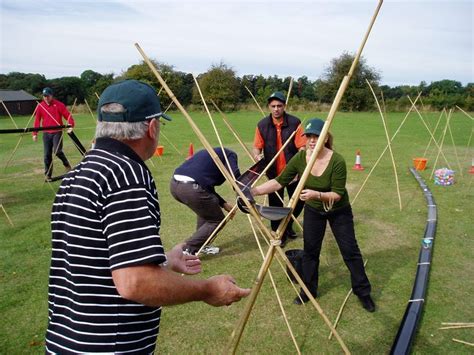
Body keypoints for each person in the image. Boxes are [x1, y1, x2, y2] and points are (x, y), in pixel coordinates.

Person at [45, 80, 250, 354]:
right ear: (152, 127)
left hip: (66, 340)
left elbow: (95, 261)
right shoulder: (126, 174)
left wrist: (165, 259)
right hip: (109, 346)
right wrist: (206, 289)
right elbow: (134, 282)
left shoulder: (78, 174)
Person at [251, 118, 375, 312]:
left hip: (338, 210)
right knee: (310, 251)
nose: (311, 140)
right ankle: (308, 290)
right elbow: (279, 181)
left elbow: (337, 193)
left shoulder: (337, 160)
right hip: (313, 211)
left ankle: (363, 292)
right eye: (308, 136)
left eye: (316, 136)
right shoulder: (300, 159)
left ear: (325, 138)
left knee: (349, 251)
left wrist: (316, 194)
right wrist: (254, 191)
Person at [252, 91, 306, 246]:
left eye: (279, 106)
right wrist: (257, 157)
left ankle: (287, 226)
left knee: (298, 202)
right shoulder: (262, 125)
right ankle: (278, 235)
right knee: (275, 206)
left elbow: (302, 147)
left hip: (293, 173)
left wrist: (297, 165)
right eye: (273, 106)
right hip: (274, 174)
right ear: (269, 107)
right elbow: (256, 147)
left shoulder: (295, 123)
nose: (276, 109)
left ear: (284, 106)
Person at [170, 148, 240, 255]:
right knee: (216, 220)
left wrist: (223, 203)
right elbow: (235, 177)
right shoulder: (230, 155)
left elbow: (205, 187)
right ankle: (187, 249)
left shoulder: (210, 154)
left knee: (206, 211)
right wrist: (244, 191)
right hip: (191, 188)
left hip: (175, 185)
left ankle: (202, 245)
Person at [33, 87, 75, 181]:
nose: (46, 98)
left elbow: (67, 115)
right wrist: (35, 133)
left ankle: (66, 164)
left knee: (57, 151)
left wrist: (71, 125)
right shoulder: (40, 106)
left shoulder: (59, 105)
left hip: (57, 132)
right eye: (44, 96)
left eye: (48, 96)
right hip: (46, 133)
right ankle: (48, 175)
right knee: (47, 155)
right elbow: (37, 120)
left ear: (52, 95)